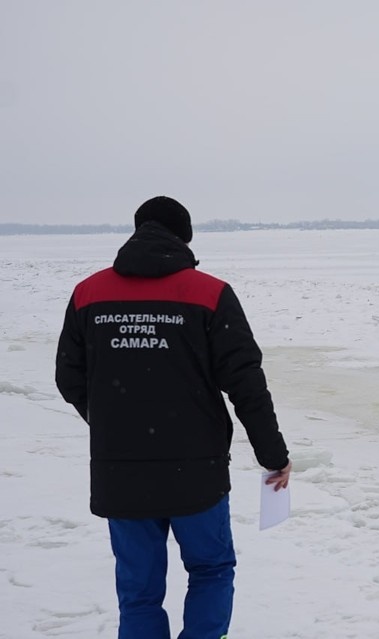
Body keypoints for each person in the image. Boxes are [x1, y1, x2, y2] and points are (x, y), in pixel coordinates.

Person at [55, 195, 292, 639]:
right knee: (212, 569)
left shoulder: (90, 293)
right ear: (183, 240)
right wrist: (273, 455)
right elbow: (245, 383)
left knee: (139, 592)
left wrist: (112, 419)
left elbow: (69, 377)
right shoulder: (209, 293)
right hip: (195, 471)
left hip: (120, 469)